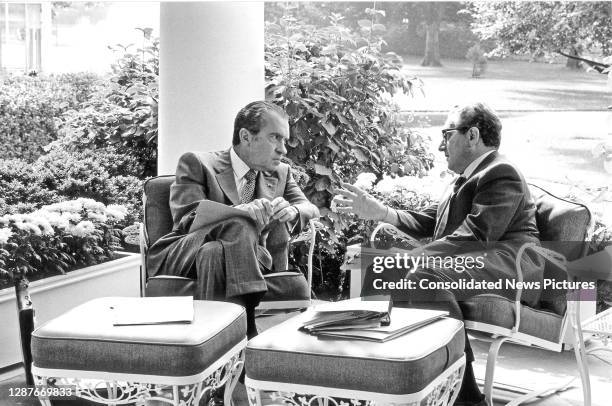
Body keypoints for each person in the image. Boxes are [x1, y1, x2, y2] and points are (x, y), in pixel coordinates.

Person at [333, 102, 544, 406]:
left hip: (511, 268)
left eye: (447, 134)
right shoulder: (461, 180)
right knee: (382, 270)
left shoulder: (501, 172)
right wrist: (381, 212)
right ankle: (375, 371)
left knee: (423, 276)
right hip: (475, 265)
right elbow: (431, 221)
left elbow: (475, 236)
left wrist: (408, 257)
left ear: (472, 135)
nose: (440, 144)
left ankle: (465, 395)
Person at [147, 101, 319, 338]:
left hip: (248, 257)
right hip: (186, 253)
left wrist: (294, 212)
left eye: (284, 140)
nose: (283, 149)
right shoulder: (197, 163)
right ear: (246, 136)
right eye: (275, 138)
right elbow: (188, 219)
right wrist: (242, 211)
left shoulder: (280, 173)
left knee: (214, 253)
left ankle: (219, 343)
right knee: (240, 223)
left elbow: (309, 207)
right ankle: (247, 329)